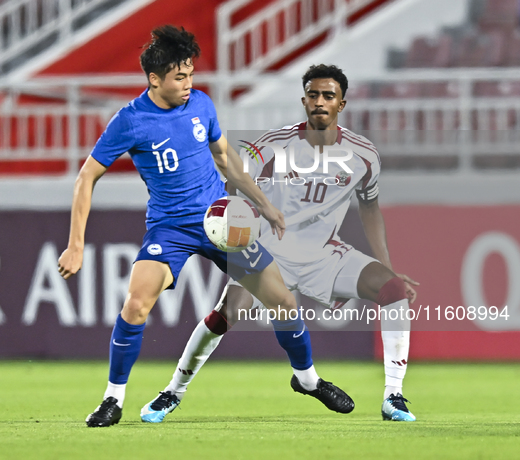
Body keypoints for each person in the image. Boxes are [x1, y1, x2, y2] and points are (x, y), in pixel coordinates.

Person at [58, 28, 354, 427]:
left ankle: (308, 380)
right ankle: (112, 400)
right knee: (136, 303)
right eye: (180, 77)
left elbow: (225, 158)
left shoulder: (201, 105)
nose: (189, 84)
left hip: (221, 221)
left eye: (191, 75)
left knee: (283, 301)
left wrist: (265, 206)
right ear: (154, 79)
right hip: (170, 228)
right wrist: (75, 245)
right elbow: (85, 178)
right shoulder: (130, 121)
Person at [141, 64, 419, 423]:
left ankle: (393, 397)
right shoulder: (273, 145)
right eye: (314, 95)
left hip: (325, 255)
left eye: (328, 96)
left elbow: (370, 209)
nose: (320, 101)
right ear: (304, 100)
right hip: (269, 253)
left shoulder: (364, 156)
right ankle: (172, 392)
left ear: (342, 104)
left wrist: (388, 265)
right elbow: (233, 177)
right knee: (224, 316)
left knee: (393, 289)